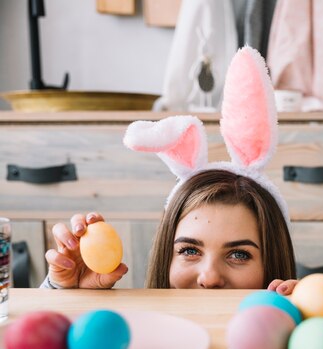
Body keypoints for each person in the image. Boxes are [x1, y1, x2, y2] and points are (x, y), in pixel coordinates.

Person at [42, 46, 298, 295]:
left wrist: (307, 314)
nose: (209, 278)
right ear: (166, 256)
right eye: (189, 250)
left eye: (239, 254)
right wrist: (67, 293)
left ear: (272, 263)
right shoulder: (139, 335)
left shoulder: (292, 331)